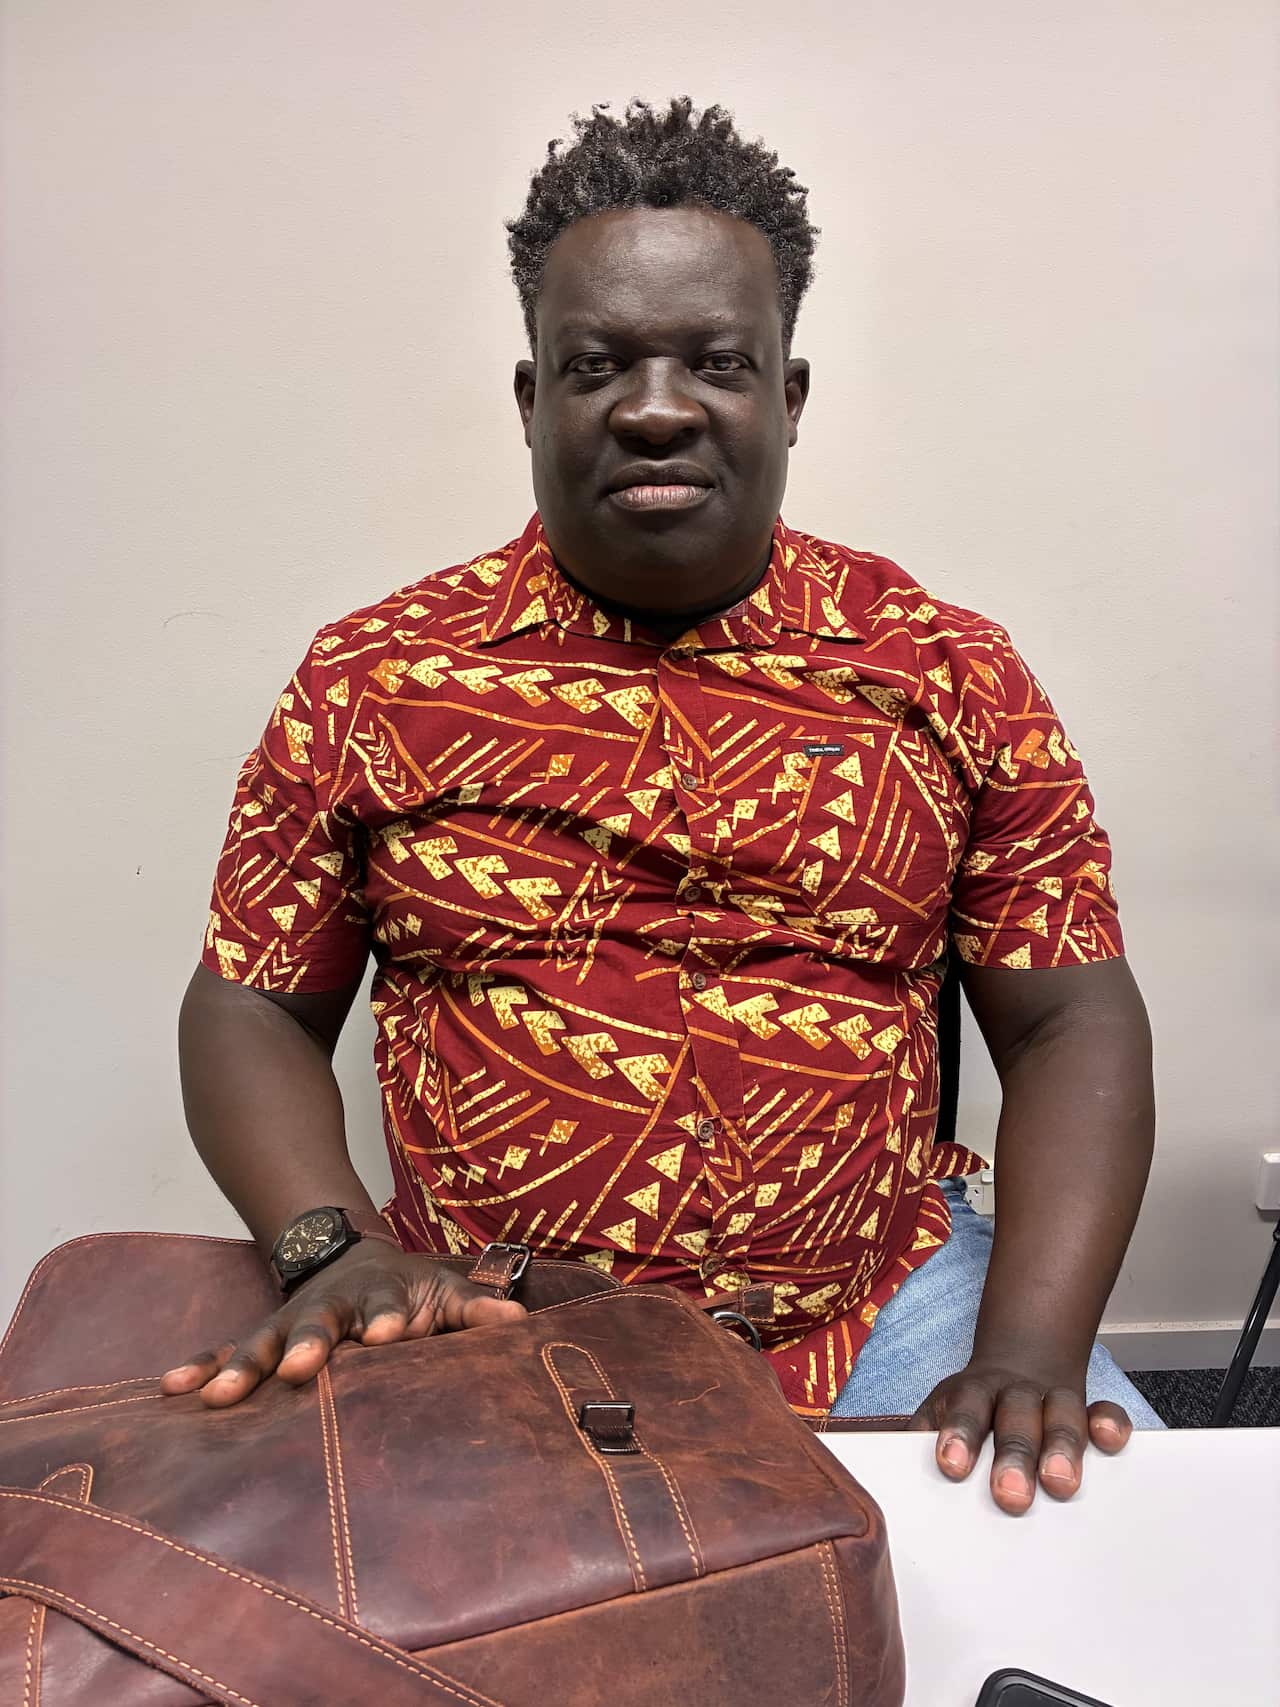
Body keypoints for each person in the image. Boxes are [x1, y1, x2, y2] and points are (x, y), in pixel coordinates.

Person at [164, 98, 1162, 1512]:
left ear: (790, 393)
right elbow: (252, 1003)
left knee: (1146, 1598)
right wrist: (329, 1249)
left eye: (714, 361)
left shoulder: (949, 670)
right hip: (495, 1323)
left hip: (890, 1305)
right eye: (598, 364)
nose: (654, 404)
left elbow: (1071, 1015)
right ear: (533, 398)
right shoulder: (373, 682)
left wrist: (1033, 1344)